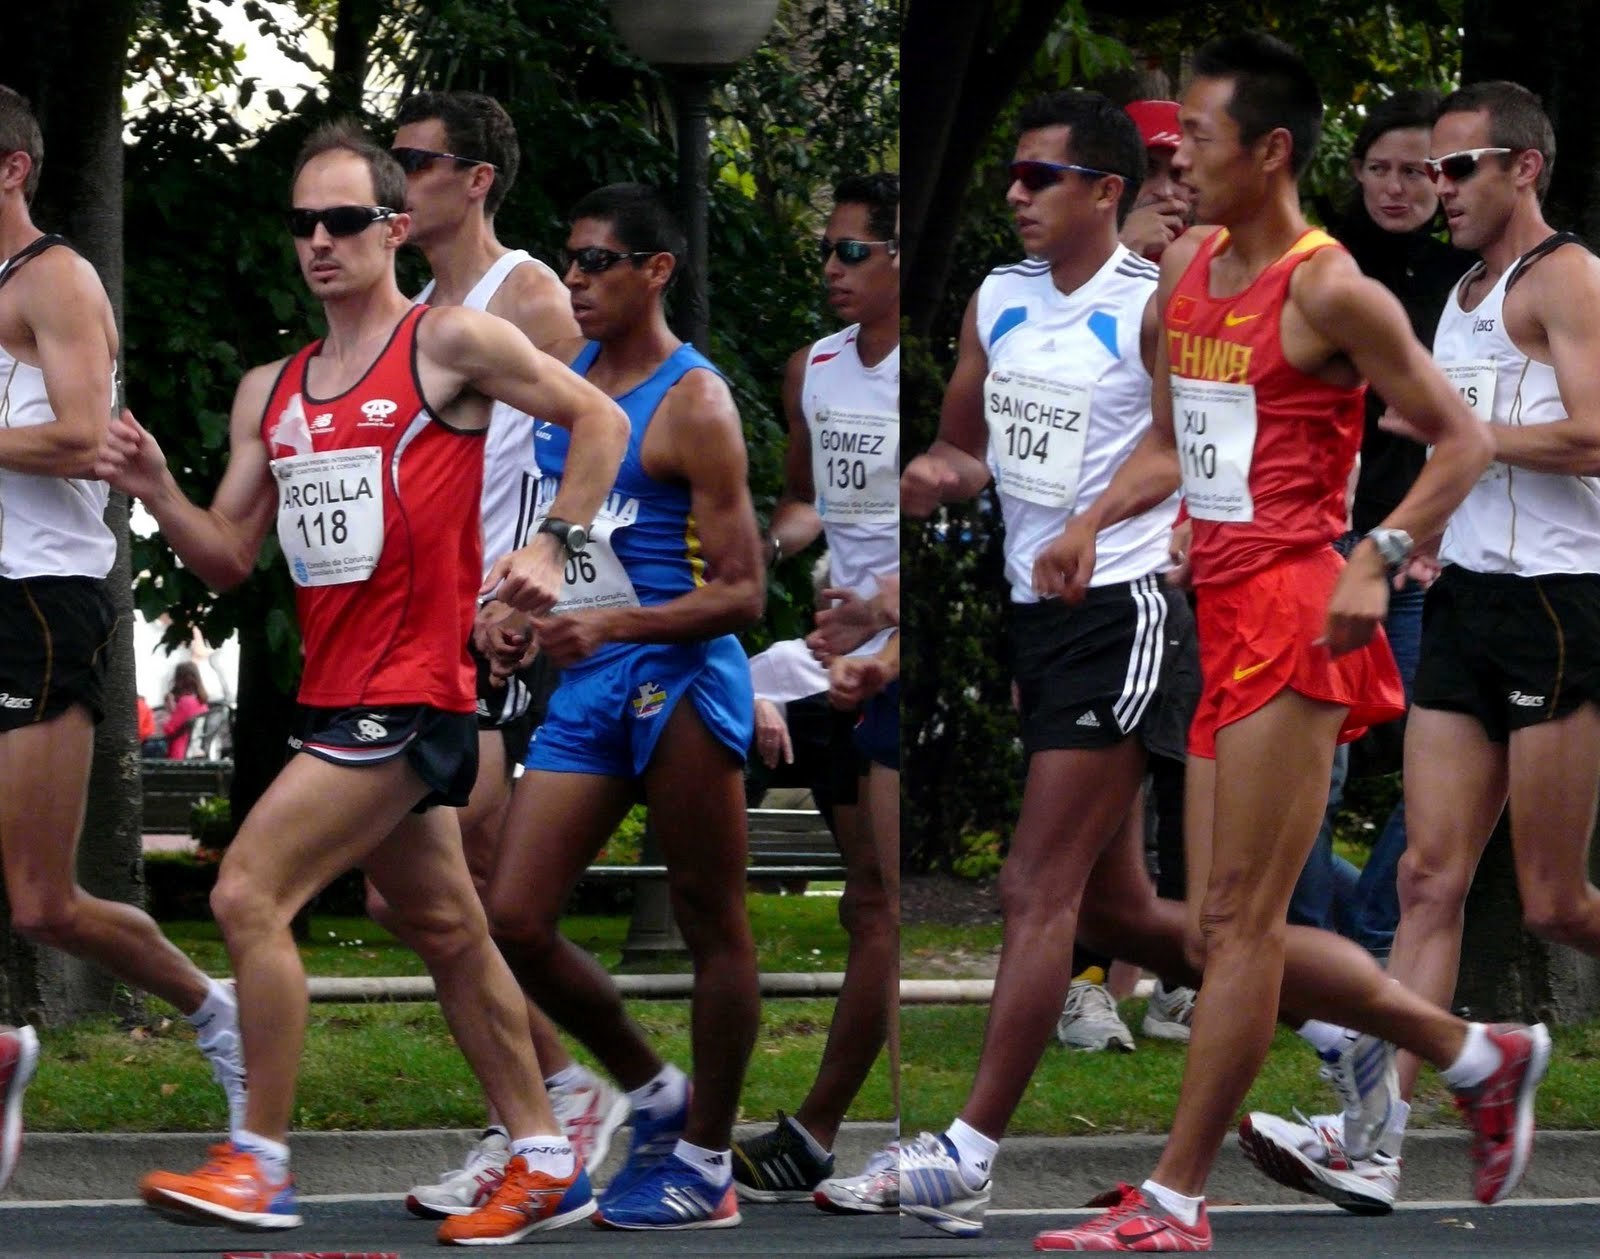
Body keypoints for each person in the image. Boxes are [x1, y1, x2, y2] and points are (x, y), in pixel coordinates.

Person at [1024, 36, 1546, 1252]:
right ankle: (1474, 1050)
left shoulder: (1332, 289)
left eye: (1195, 139)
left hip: (1298, 610)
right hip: (1216, 602)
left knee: (1241, 922)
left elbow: (1456, 440)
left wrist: (1379, 551)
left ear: (1269, 151)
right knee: (1214, 929)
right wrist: (1095, 521)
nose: (1174, 162)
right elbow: (1173, 443)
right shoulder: (1189, 270)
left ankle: (1174, 1196)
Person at [98, 121, 630, 1244]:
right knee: (442, 921)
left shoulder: (449, 343)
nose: (322, 241)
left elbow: (602, 417)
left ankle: (261, 1159)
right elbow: (227, 556)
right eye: (304, 223)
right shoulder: (273, 389)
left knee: (248, 890)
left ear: (395, 228)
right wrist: (152, 482)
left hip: (419, 682)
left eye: (345, 220)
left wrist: (553, 551)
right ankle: (545, 1152)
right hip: (338, 690)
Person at [1244, 79, 1600, 1217]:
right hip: (1466, 600)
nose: (1436, 189)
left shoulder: (1569, 279)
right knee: (1422, 875)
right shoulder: (1457, 297)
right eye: (1428, 170)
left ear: (1522, 168)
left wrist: (1469, 434)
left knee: (1551, 900)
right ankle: (1375, 1139)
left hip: (1560, 603)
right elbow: (1461, 461)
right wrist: (1413, 543)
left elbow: (1595, 433)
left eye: (1457, 169)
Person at [898, 89, 1193, 1236]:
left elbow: (1187, 454)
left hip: (1121, 605)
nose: (1013, 193)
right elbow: (964, 448)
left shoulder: (1153, 302)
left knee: (1035, 886)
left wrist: (1090, 523)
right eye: (1012, 176)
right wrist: (932, 473)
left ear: (1104, 193)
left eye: (1039, 177)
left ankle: (967, 1150)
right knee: (1122, 907)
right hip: (1038, 608)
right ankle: (1353, 1026)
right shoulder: (997, 298)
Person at [475, 182, 765, 1231]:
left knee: (708, 919)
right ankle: (652, 1089)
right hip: (591, 679)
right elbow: (570, 540)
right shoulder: (570, 386)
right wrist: (520, 609)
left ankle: (707, 1159)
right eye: (572, 260)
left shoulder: (697, 401)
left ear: (656, 270)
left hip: (681, 679)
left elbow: (744, 592)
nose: (579, 280)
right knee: (513, 914)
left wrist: (613, 628)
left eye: (600, 262)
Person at [366, 89, 627, 1220]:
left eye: (414, 163)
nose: (393, 185)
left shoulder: (523, 288)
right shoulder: (422, 306)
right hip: (438, 625)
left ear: (474, 178)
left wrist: (554, 561)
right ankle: (555, 1093)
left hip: (507, 627)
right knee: (410, 890)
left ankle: (554, 1107)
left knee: (451, 883)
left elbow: (609, 412)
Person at [0, 83, 245, 1193]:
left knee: (42, 899)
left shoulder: (54, 276)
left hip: (41, 601)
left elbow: (85, 433)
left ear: (12, 167)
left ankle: (220, 1012)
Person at [731, 172, 901, 1212]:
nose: (831, 271)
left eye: (851, 252)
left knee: (878, 899)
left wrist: (884, 619)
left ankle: (822, 1129)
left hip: (892, 654)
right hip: (825, 650)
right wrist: (762, 544)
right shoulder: (815, 368)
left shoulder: (932, 373)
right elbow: (804, 502)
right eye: (826, 253)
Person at [1285, 89, 1472, 952]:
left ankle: (1369, 926)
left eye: (1415, 172)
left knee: (1439, 752)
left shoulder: (1463, 280)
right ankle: (1313, 937)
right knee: (1318, 757)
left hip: (1420, 552)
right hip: (1318, 540)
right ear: (1354, 170)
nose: (1397, 188)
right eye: (1381, 169)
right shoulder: (1317, 265)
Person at [1056, 96, 1200, 1055]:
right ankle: (1082, 984)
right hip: (1080, 578)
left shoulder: (1217, 280)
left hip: (1185, 567)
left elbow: (1207, 429)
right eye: (1160, 175)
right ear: (1114, 188)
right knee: (1087, 806)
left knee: (1187, 776)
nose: (1177, 194)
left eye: (1189, 175)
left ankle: (1185, 981)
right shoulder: (1057, 295)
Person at [162, 660, 210, 760]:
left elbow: (168, 730)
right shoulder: (202, 703)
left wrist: (170, 711)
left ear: (179, 679)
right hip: (194, 753)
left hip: (178, 753)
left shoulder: (186, 702)